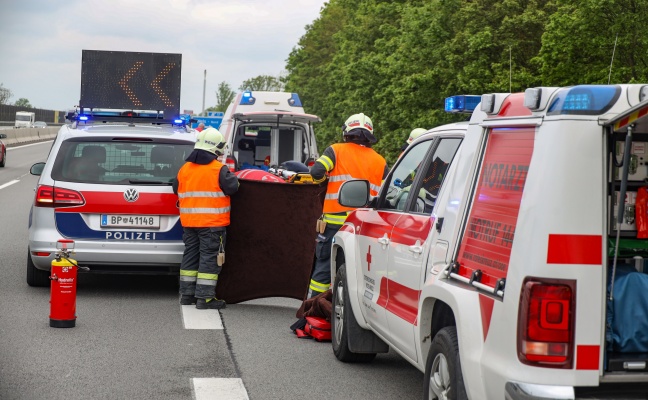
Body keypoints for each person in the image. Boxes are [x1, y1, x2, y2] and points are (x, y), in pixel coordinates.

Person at [291, 113, 388, 332]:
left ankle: (310, 314)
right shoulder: (380, 161)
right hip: (365, 227)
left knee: (323, 270)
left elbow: (316, 172)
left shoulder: (335, 150)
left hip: (335, 224)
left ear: (347, 132)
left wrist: (322, 181)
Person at [172, 127, 239, 309]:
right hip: (212, 225)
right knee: (209, 259)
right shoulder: (218, 169)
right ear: (216, 149)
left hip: (189, 224)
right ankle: (205, 298)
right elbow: (233, 187)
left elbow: (175, 188)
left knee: (190, 257)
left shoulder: (185, 169)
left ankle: (187, 295)